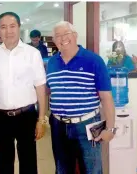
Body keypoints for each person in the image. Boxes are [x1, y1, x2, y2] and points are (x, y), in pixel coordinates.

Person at [46, 21, 116, 174]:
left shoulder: (94, 60)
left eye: (66, 34)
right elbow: (48, 91)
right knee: (62, 169)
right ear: (54, 40)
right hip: (58, 125)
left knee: (92, 169)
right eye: (58, 36)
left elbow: (106, 97)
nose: (62, 38)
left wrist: (110, 128)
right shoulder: (51, 63)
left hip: (88, 124)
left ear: (75, 36)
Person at [0, 12, 47, 174]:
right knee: (4, 162)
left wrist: (41, 119)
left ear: (19, 28)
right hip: (1, 117)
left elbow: (40, 87)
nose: (8, 31)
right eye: (3, 27)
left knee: (28, 161)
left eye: (12, 26)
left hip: (27, 116)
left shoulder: (32, 53)